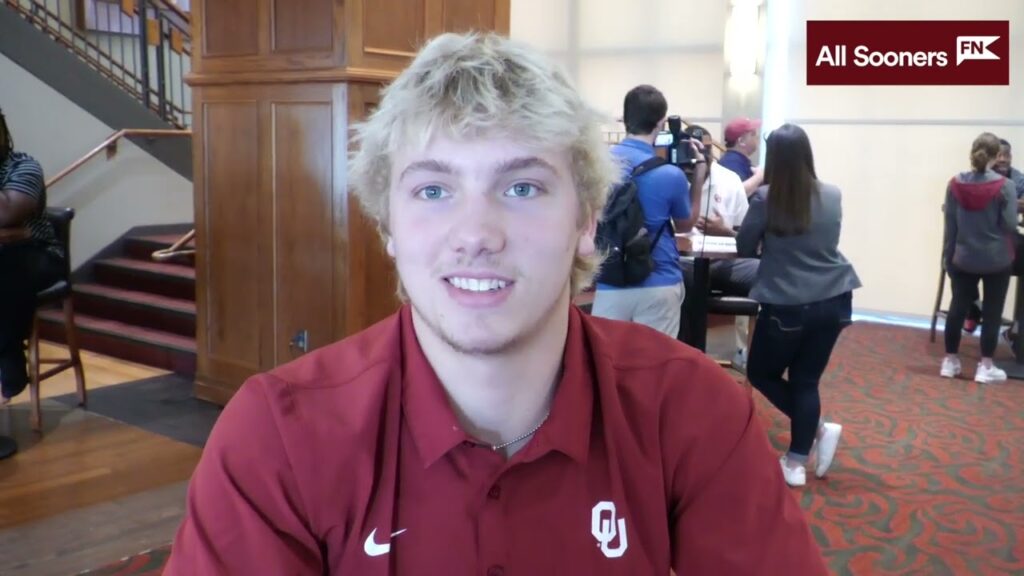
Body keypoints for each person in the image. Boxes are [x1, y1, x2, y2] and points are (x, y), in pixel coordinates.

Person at [165, 33, 827, 574]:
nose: (477, 233)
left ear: (586, 220)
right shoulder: (276, 436)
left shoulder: (692, 409)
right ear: (387, 225)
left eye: (522, 187)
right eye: (432, 191)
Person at [736, 123, 861, 487]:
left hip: (788, 302)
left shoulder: (765, 198)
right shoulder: (833, 194)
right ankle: (795, 460)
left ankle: (817, 431)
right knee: (806, 381)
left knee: (761, 373)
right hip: (836, 297)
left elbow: (745, 248)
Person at [590, 85, 705, 338]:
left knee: (606, 362)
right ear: (661, 123)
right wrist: (698, 177)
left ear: (624, 119)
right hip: (659, 278)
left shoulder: (597, 167)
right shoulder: (670, 174)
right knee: (655, 367)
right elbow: (686, 225)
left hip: (611, 277)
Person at [679, 124, 759, 369]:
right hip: (682, 264)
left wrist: (724, 230)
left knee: (764, 270)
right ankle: (685, 358)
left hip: (722, 264)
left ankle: (748, 354)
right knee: (679, 278)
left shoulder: (729, 180)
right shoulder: (674, 177)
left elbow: (746, 236)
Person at [940, 132, 1016, 384]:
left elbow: (950, 224)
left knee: (957, 308)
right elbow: (1008, 225)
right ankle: (985, 367)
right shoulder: (1006, 186)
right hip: (997, 260)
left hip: (963, 257)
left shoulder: (954, 184)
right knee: (993, 313)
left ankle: (949, 361)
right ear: (997, 156)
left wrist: (948, 256)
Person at [0, 107, 64, 403]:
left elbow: (7, 213)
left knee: (7, 263)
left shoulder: (23, 166)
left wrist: (11, 234)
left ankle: (9, 354)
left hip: (37, 255)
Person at [719, 117, 764, 196]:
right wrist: (759, 176)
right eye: (753, 134)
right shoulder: (731, 163)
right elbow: (736, 193)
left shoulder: (736, 160)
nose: (757, 137)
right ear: (741, 141)